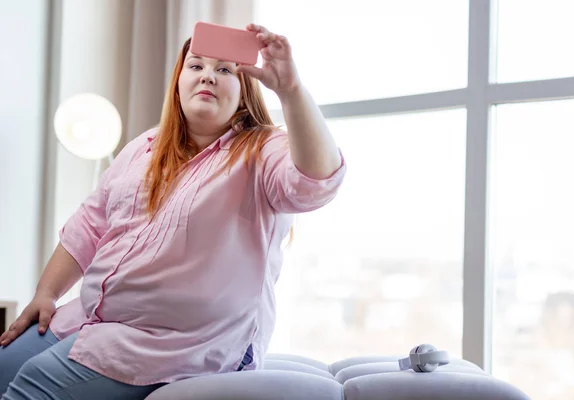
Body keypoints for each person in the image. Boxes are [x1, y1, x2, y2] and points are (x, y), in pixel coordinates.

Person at [0, 23, 345, 400]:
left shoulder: (262, 150)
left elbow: (316, 182)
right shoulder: (143, 148)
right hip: (91, 319)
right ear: (179, 83)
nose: (207, 76)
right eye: (195, 66)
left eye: (225, 70)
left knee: (33, 383)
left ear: (245, 96)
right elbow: (89, 225)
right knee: (4, 364)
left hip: (177, 343)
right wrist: (46, 293)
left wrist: (291, 91)